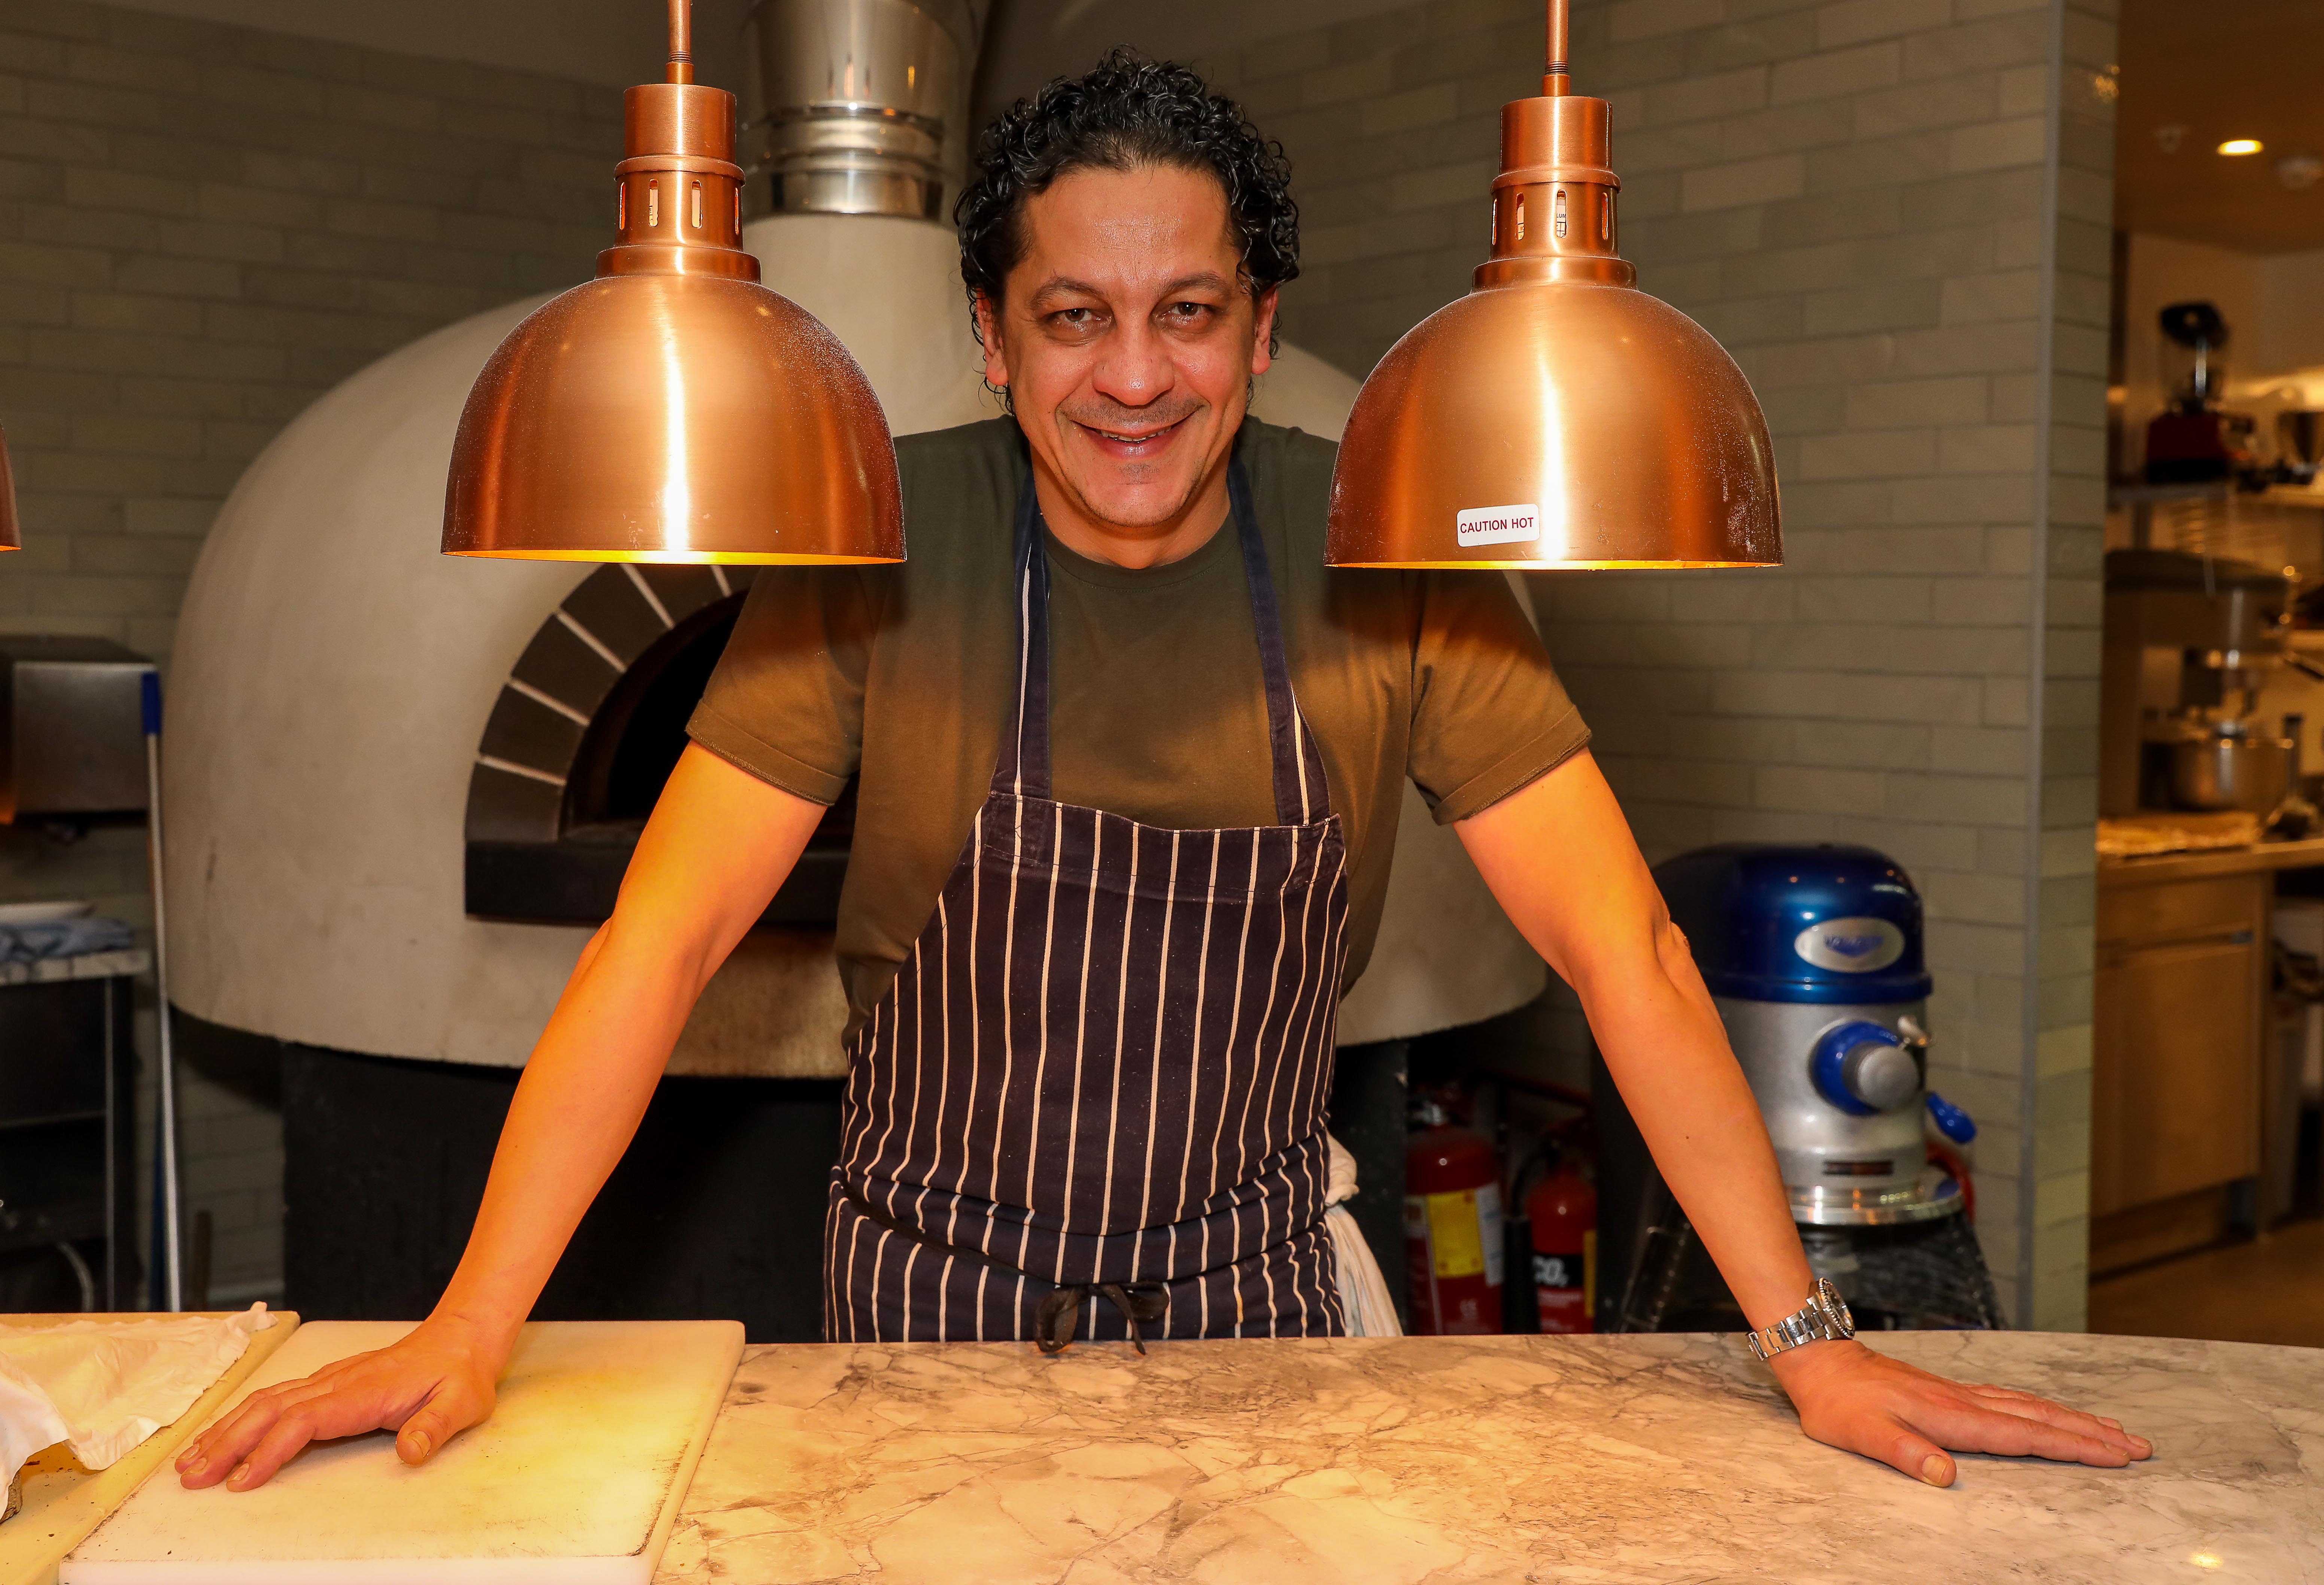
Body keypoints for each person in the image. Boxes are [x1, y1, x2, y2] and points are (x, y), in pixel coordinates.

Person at [177, 51, 2148, 1494]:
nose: (1136, 378)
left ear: (1259, 324)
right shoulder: (870, 555)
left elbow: (1627, 948)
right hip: (924, 1328)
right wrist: (468, 1323)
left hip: (1259, 1321)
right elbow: (658, 948)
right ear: (990, 337)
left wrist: (1805, 1342)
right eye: (1076, 318)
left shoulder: (1391, 558)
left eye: (1189, 314)